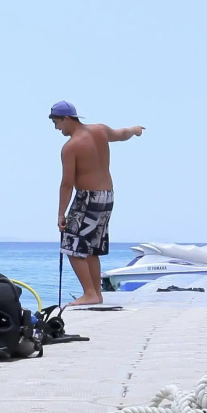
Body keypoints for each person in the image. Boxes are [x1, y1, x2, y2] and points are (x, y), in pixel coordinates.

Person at [51, 101, 144, 306]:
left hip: (88, 198)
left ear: (67, 119)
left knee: (72, 246)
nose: (57, 128)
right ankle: (96, 294)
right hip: (107, 196)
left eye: (57, 122)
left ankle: (89, 293)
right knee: (92, 247)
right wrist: (135, 130)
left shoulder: (71, 147)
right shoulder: (100, 131)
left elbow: (67, 184)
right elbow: (122, 134)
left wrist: (60, 214)